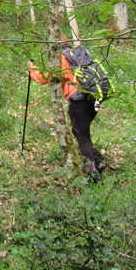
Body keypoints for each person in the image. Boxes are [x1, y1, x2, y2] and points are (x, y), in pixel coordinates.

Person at [27, 40, 106, 180]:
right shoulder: (80, 54)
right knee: (82, 134)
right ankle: (97, 160)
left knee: (82, 138)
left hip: (78, 100)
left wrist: (32, 69)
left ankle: (92, 174)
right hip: (93, 98)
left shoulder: (62, 57)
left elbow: (47, 77)